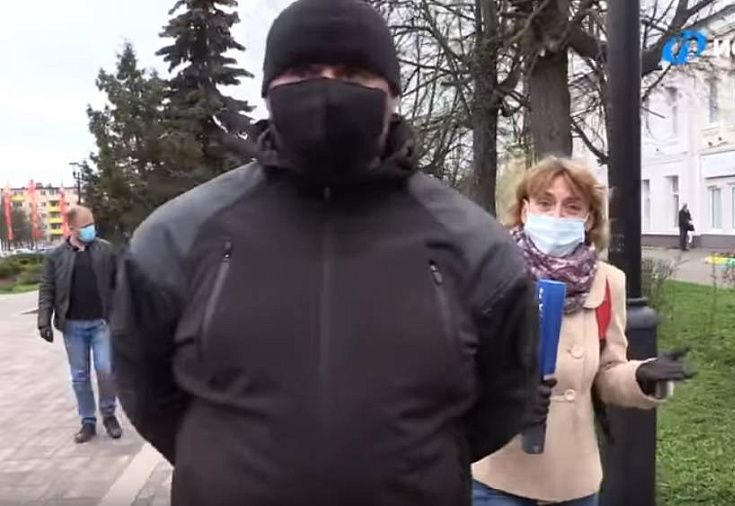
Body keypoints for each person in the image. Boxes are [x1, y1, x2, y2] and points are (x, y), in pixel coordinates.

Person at [110, 1, 538, 505]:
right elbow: (146, 391)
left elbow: (504, 400)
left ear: (392, 93)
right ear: (269, 89)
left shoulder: (473, 245)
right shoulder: (179, 235)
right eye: (305, 72)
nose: (329, 91)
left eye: (354, 74)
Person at [472, 158, 694, 506]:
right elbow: (461, 365)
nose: (557, 216)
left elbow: (607, 372)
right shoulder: (492, 273)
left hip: (573, 481)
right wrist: (509, 396)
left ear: (589, 218)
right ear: (526, 210)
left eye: (572, 206)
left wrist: (640, 376)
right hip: (499, 474)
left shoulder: (608, 282)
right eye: (545, 203)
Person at [37, 206, 122, 443]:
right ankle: (88, 421)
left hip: (101, 323)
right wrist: (44, 321)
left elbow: (119, 283)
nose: (90, 229)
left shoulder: (105, 250)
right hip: (73, 326)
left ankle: (109, 414)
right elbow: (47, 288)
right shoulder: (56, 256)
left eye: (92, 224)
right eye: (85, 226)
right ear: (72, 228)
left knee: (106, 370)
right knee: (80, 376)